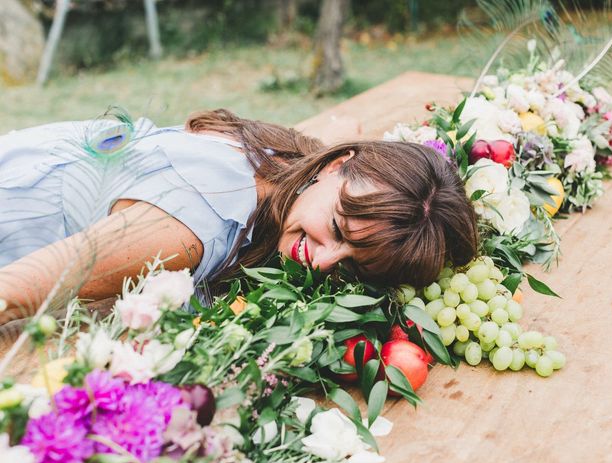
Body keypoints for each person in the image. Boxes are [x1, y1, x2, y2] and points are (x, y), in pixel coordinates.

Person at [0, 108, 477, 323]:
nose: (325, 262)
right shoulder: (191, 228)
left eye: (354, 262)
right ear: (336, 165)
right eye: (337, 230)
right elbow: (13, 292)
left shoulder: (296, 169)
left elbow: (339, 131)